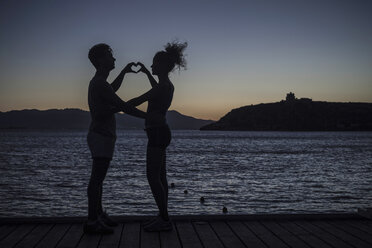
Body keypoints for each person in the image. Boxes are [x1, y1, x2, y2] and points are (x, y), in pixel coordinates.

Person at [85, 43, 146, 234]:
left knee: (99, 180)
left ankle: (99, 215)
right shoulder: (99, 84)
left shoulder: (100, 82)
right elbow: (122, 105)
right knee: (96, 180)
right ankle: (92, 221)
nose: (114, 59)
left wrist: (125, 73)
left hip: (102, 136)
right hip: (101, 136)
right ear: (100, 60)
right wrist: (148, 116)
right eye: (110, 56)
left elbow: (113, 91)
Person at [127, 41, 187, 232]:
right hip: (159, 132)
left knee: (152, 176)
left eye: (153, 64)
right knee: (160, 177)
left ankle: (164, 218)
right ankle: (163, 216)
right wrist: (146, 73)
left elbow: (138, 100)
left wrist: (116, 106)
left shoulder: (162, 87)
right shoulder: (165, 85)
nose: (151, 66)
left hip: (158, 134)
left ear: (161, 65)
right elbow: (156, 90)